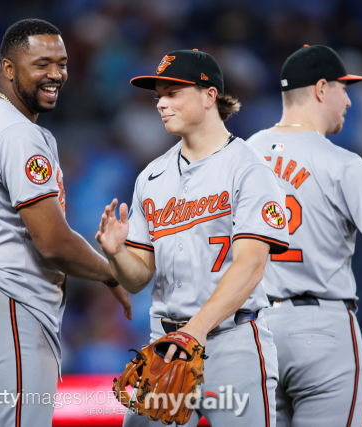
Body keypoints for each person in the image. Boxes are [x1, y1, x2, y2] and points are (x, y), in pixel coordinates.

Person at [0, 19, 132, 427]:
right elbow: (52, 241)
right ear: (9, 68)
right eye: (42, 63)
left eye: (62, 63)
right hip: (7, 307)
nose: (56, 74)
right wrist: (112, 275)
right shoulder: (17, 133)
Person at [97, 49, 289, 427]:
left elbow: (250, 265)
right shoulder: (151, 177)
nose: (161, 104)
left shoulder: (249, 169)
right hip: (167, 343)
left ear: (209, 95)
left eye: (173, 93)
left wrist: (193, 334)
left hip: (232, 343)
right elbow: (137, 278)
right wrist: (117, 254)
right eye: (158, 97)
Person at [247, 44, 362, 427]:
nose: (348, 100)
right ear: (321, 89)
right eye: (344, 89)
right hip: (321, 329)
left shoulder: (240, 156)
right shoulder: (343, 164)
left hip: (252, 333)